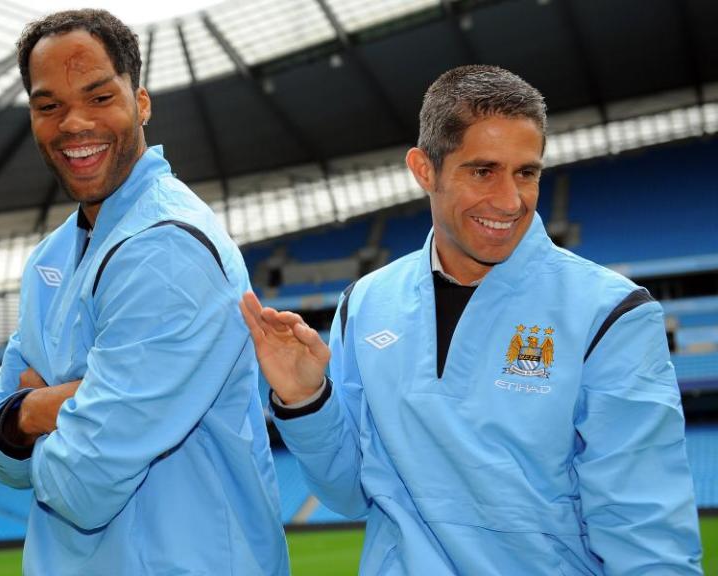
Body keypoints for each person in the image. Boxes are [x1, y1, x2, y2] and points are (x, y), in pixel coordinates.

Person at [240, 65, 702, 575]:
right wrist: (306, 401)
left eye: (526, 172)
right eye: (483, 171)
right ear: (424, 169)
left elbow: (647, 535)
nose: (510, 201)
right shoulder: (365, 304)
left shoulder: (609, 313)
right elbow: (350, 494)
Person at [0, 10, 289, 575]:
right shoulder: (50, 257)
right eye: (50, 106)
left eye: (99, 97)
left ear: (140, 102)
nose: (73, 124)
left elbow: (81, 485)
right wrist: (38, 411)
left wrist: (26, 415)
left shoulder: (171, 250)